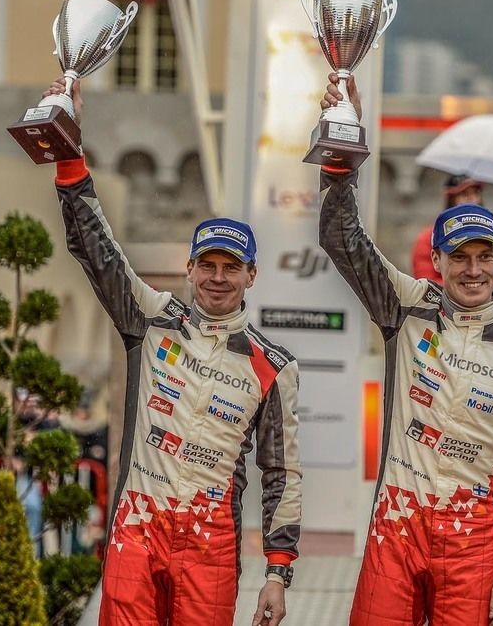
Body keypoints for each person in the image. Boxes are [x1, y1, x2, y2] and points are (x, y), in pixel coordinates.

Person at [43, 78, 301, 626]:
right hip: (138, 528)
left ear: (251, 275)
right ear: (189, 269)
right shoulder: (152, 318)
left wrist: (278, 572)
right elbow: (96, 249)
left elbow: (281, 471)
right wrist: (69, 152)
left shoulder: (273, 366)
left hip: (211, 544)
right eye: (207, 265)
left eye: (230, 267)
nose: (217, 277)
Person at [318, 73, 493, 626]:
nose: (473, 270)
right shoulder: (407, 306)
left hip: (474, 537)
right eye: (459, 257)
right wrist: (342, 143)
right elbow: (341, 239)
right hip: (396, 526)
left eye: (484, 256)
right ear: (437, 260)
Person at [411, 174, 484, 283]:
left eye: (475, 193)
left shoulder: (489, 237)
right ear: (451, 200)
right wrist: (465, 287)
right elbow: (427, 282)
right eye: (464, 194)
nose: (472, 199)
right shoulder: (429, 238)